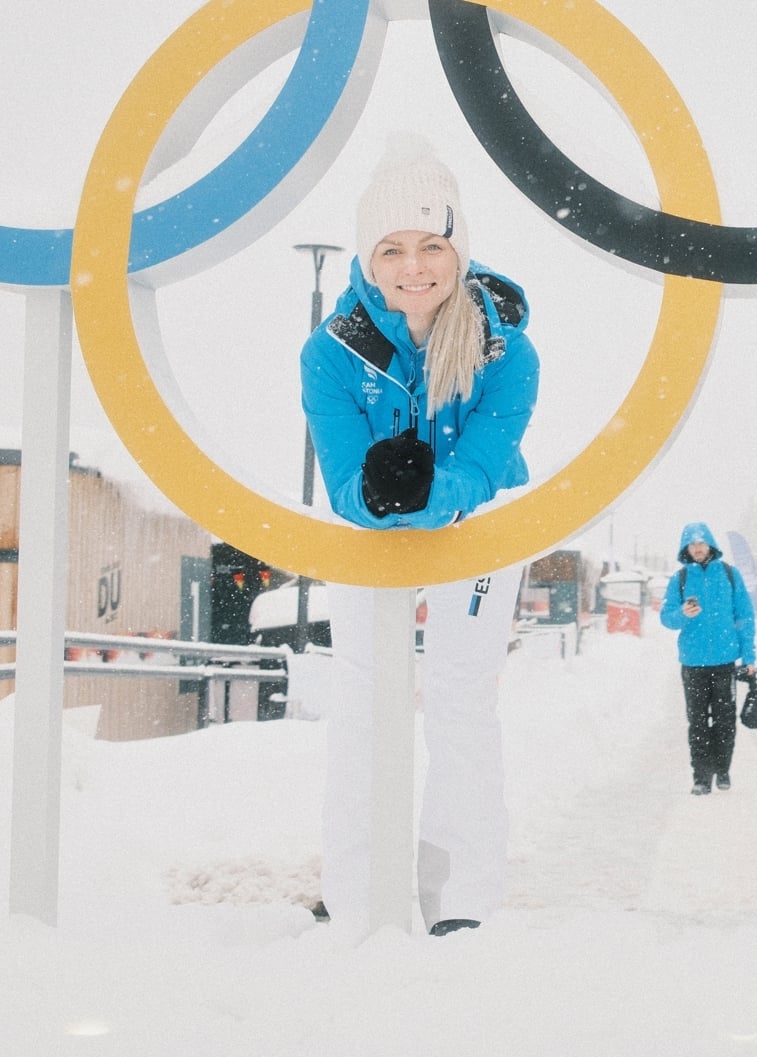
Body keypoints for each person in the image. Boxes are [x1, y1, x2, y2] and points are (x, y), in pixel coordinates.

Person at [301, 135, 539, 938]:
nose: (414, 267)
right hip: (365, 538)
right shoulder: (330, 352)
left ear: (457, 249)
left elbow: (484, 461)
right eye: (392, 248)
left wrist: (430, 492)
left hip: (478, 531)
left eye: (432, 245)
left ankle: (459, 895)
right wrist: (376, 495)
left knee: (459, 697)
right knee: (364, 698)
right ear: (368, 258)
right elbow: (343, 476)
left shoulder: (504, 348)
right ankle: (357, 888)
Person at [658, 522, 757, 795]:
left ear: (710, 544)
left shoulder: (729, 574)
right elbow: (666, 618)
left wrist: (749, 656)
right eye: (692, 544)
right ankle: (701, 777)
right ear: (686, 548)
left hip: (725, 662)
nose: (698, 548)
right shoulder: (679, 579)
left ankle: (722, 769)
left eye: (701, 543)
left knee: (725, 720)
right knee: (698, 722)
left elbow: (745, 617)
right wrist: (682, 614)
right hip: (693, 663)